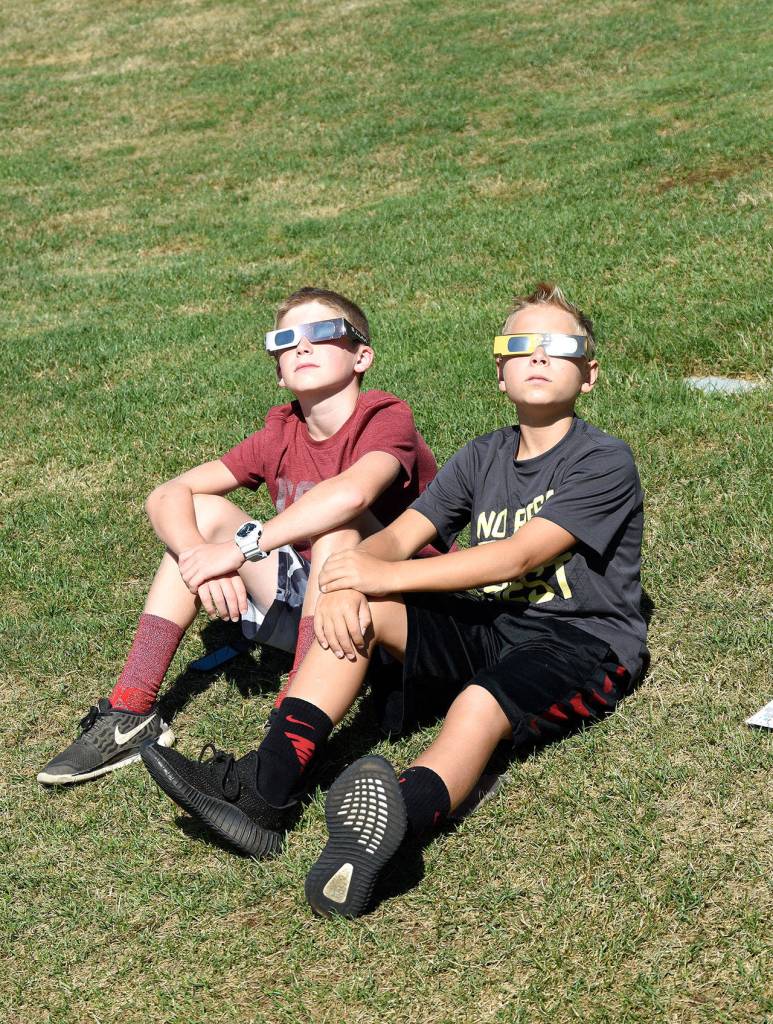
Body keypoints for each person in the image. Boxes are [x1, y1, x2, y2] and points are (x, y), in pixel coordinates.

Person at [142, 283, 648, 920]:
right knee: (359, 609)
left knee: (478, 705)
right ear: (500, 373)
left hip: (580, 642)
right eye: (521, 345)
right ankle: (264, 791)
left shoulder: (602, 460)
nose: (539, 356)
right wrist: (350, 580)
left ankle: (398, 819)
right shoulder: (482, 455)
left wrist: (374, 575)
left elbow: (515, 557)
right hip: (492, 623)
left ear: (589, 375)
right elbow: (400, 537)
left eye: (559, 346)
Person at [37, 287, 440, 785]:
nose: (302, 346)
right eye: (285, 340)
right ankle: (130, 711)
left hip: (399, 609)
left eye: (322, 332)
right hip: (317, 602)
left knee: (338, 527)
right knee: (199, 513)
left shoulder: (384, 416)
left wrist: (236, 550)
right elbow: (167, 493)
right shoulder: (281, 432)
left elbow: (351, 495)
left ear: (362, 356)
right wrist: (198, 559)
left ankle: (296, 719)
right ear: (279, 372)